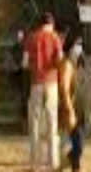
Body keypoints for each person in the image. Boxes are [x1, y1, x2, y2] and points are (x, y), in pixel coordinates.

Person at [24, 12, 63, 171]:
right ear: (51, 23)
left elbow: (25, 63)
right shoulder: (56, 38)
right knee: (52, 122)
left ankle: (35, 162)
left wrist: (34, 67)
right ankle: (53, 161)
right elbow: (60, 60)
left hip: (36, 83)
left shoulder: (31, 38)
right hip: (52, 83)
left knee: (35, 123)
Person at [59, 37, 85, 172]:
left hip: (76, 107)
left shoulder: (73, 65)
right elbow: (64, 87)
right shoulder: (67, 65)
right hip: (70, 107)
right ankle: (67, 163)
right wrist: (68, 107)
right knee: (77, 141)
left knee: (77, 141)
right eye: (77, 45)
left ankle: (73, 165)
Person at [9, 29, 29, 128]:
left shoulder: (27, 47)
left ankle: (24, 122)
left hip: (26, 76)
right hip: (18, 75)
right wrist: (16, 67)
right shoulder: (14, 48)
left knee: (25, 99)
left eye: (21, 36)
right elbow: (11, 60)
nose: (19, 38)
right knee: (22, 99)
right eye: (18, 36)